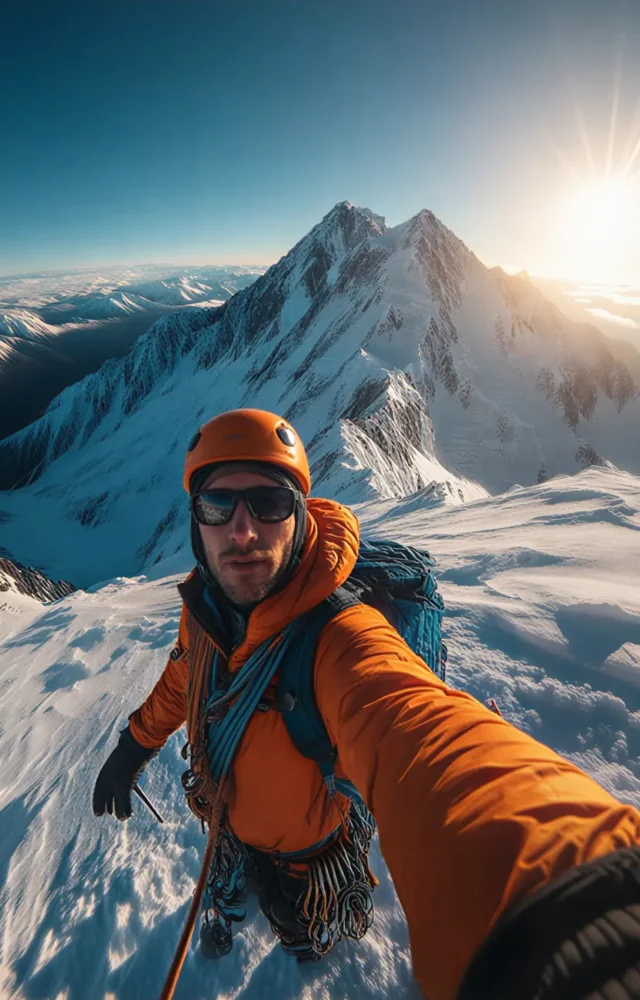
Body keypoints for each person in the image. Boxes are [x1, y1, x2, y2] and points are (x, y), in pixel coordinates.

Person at [93, 408, 640, 1000]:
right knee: (241, 868)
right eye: (217, 507)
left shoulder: (339, 637)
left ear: (301, 514)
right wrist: (135, 744)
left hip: (307, 845)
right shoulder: (205, 611)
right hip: (230, 818)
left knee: (296, 911)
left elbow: (424, 732)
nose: (242, 531)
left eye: (269, 504)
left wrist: (579, 907)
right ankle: (248, 903)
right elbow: (185, 682)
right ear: (196, 523)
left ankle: (300, 936)